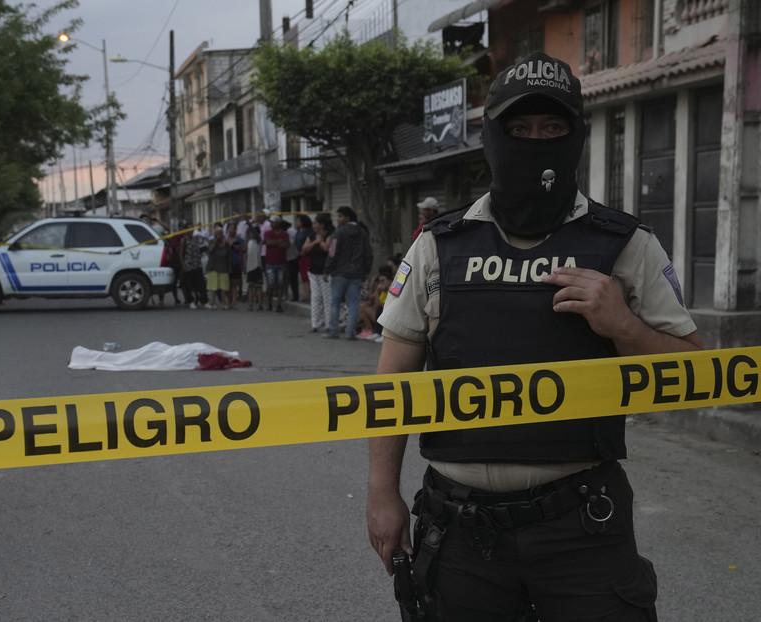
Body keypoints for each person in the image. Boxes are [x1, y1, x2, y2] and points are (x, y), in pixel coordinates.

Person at [366, 51, 703, 622]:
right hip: (460, 531)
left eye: (552, 128)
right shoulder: (439, 246)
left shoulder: (626, 244)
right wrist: (381, 493)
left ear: (575, 136)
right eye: (518, 129)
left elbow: (696, 375)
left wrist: (624, 326)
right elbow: (392, 382)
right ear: (491, 136)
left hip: (582, 527)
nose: (535, 141)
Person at [323, 206, 372, 340]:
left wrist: (327, 270)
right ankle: (350, 332)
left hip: (339, 272)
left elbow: (332, 253)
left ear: (347, 217)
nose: (338, 219)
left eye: (340, 216)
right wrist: (366, 270)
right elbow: (368, 253)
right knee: (353, 303)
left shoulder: (339, 233)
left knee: (335, 301)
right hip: (356, 272)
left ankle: (333, 330)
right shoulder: (362, 232)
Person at [301, 212, 333, 332]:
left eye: (315, 223)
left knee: (327, 297)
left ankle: (328, 324)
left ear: (322, 225)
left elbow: (327, 248)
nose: (313, 225)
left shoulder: (330, 234)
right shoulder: (311, 235)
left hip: (325, 272)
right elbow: (304, 249)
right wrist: (315, 241)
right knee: (316, 297)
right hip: (313, 270)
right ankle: (315, 323)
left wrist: (320, 241)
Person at [262, 216, 290, 312]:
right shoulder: (267, 233)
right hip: (270, 262)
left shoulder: (284, 233)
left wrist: (273, 243)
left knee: (280, 284)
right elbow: (268, 242)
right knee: (271, 284)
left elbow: (286, 245)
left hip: (281, 262)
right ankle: (270, 304)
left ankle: (278, 304)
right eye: (271, 222)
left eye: (273, 222)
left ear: (278, 223)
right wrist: (279, 242)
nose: (271, 224)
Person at [204, 225, 230, 309]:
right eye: (217, 233)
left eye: (221, 234)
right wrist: (215, 241)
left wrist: (229, 267)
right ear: (215, 234)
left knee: (223, 287)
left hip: (223, 267)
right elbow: (210, 251)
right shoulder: (211, 241)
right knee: (213, 287)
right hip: (213, 267)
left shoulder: (226, 243)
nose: (219, 235)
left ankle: (224, 303)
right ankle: (213, 302)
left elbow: (229, 256)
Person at [294, 214, 313, 302]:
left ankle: (312, 295)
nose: (297, 223)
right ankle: (307, 295)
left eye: (298, 221)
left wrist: (304, 251)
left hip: (307, 256)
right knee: (304, 277)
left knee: (309, 276)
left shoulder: (309, 231)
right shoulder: (298, 231)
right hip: (300, 256)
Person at [245, 227, 263, 310]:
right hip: (250, 267)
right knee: (250, 286)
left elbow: (256, 235)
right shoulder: (249, 242)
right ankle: (250, 304)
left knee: (258, 286)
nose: (251, 234)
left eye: (253, 233)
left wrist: (249, 224)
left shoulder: (259, 241)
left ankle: (260, 304)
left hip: (257, 266)